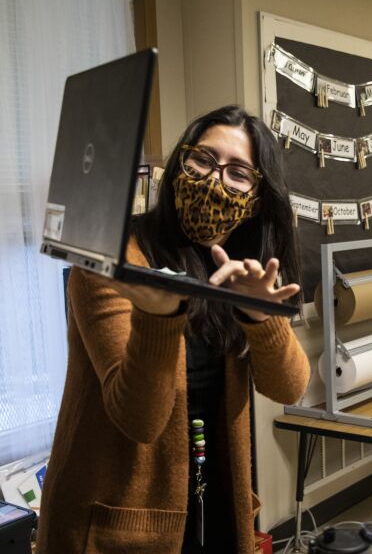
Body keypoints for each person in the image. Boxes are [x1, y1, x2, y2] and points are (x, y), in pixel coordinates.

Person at [37, 105, 311, 553]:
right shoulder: (116, 262)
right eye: (202, 159)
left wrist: (262, 320)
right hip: (116, 524)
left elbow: (290, 387)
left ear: (256, 199)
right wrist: (159, 319)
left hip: (213, 502)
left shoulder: (244, 267)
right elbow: (139, 420)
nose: (213, 180)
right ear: (180, 162)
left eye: (238, 173)